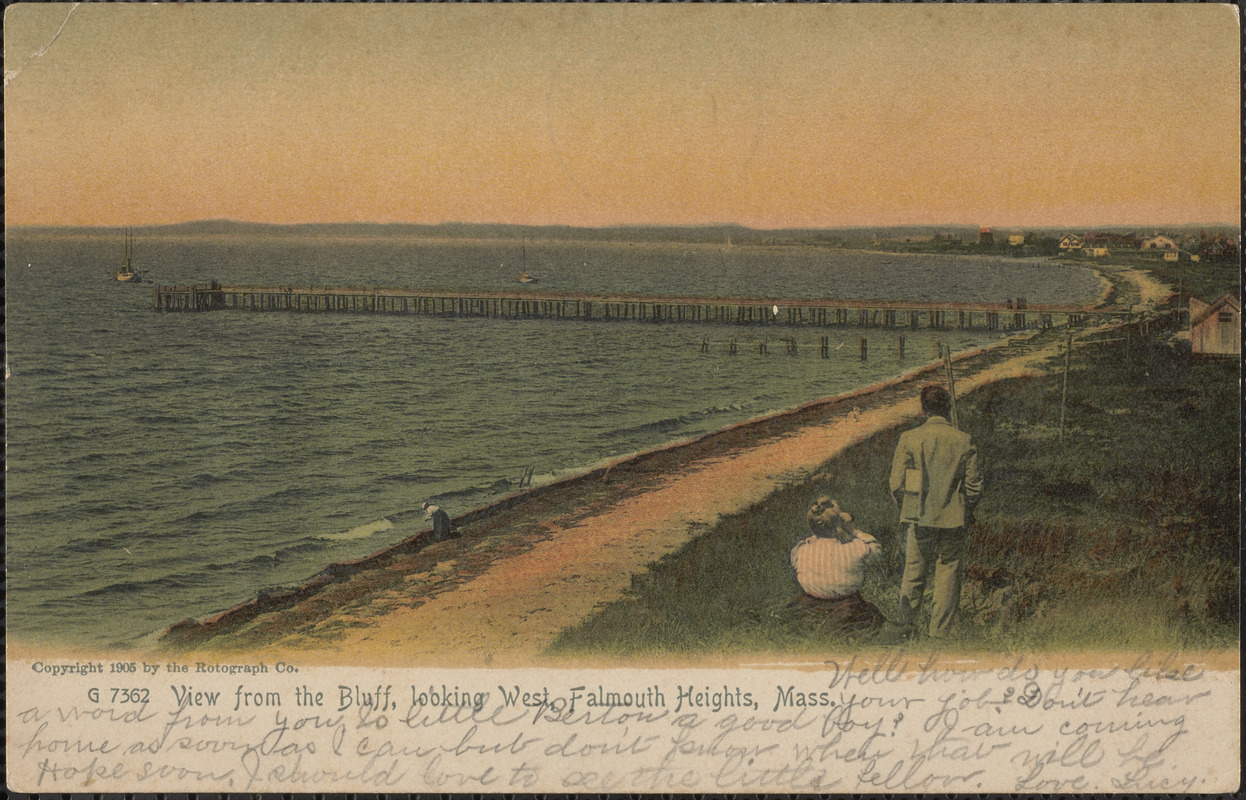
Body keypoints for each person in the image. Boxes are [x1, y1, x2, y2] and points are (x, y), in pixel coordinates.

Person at [888, 384, 982, 639]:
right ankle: (938, 637)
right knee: (947, 577)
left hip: (919, 519)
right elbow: (974, 487)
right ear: (948, 408)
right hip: (954, 520)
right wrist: (965, 509)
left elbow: (896, 484)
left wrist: (910, 509)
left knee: (914, 574)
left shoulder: (909, 438)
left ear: (923, 409)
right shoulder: (964, 440)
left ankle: (905, 630)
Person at [789, 496, 885, 634]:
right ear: (838, 524)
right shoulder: (854, 549)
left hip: (809, 605)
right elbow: (876, 548)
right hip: (846, 607)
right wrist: (852, 530)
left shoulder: (800, 550)